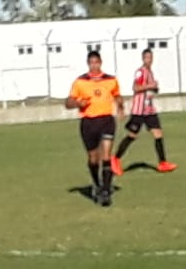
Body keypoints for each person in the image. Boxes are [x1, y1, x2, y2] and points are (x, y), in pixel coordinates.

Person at [65, 51, 124, 207]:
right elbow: (68, 103)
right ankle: (97, 184)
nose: (94, 65)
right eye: (91, 63)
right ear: (88, 64)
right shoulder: (80, 82)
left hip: (106, 120)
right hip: (88, 123)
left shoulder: (111, 80)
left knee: (106, 155)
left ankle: (106, 191)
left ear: (101, 62)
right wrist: (78, 103)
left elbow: (117, 95)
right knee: (93, 158)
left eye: (96, 62)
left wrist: (120, 105)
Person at [111, 48, 177, 176]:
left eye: (150, 57)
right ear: (143, 58)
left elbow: (149, 90)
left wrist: (155, 89)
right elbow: (135, 88)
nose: (149, 60)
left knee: (158, 134)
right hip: (139, 110)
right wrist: (150, 86)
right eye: (147, 57)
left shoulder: (150, 72)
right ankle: (115, 159)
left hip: (149, 110)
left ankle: (163, 163)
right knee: (132, 135)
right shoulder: (140, 72)